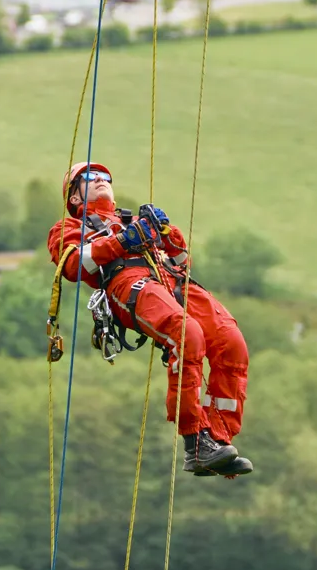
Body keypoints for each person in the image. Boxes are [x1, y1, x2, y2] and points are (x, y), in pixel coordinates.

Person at [47, 161, 252, 478]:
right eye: (90, 178)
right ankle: (194, 440)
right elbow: (73, 265)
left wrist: (167, 232)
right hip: (128, 284)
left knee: (232, 343)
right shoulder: (69, 229)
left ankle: (218, 439)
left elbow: (182, 261)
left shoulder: (136, 221)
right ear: (73, 198)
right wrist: (122, 242)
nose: (101, 181)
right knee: (187, 333)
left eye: (105, 177)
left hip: (172, 282)